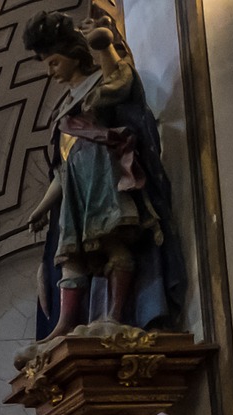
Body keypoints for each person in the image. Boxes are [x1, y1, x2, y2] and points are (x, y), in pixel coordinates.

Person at [21, 10, 184, 342]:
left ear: (72, 55)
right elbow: (63, 168)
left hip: (105, 181)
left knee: (114, 244)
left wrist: (104, 45)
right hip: (76, 189)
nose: (50, 72)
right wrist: (40, 209)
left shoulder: (98, 85)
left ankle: (114, 314)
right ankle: (65, 324)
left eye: (54, 62)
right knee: (69, 257)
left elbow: (122, 82)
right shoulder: (63, 109)